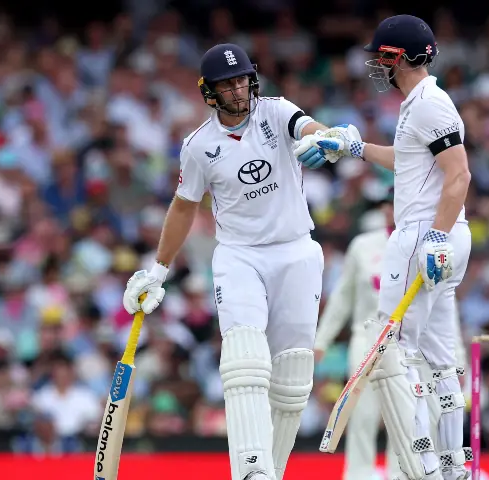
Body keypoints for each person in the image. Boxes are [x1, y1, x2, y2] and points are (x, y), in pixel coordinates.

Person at [122, 43, 337, 480]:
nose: (238, 90)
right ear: (210, 92)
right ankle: (251, 469)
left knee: (293, 379)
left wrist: (324, 138)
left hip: (297, 250)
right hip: (240, 256)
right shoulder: (198, 146)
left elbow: (310, 126)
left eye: (242, 80)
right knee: (245, 359)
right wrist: (159, 269)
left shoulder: (276, 112)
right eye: (228, 84)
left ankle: (271, 471)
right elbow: (184, 207)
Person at [295, 15, 473, 480]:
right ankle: (453, 466)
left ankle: (422, 465)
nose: (377, 64)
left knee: (393, 351)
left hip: (424, 233)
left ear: (403, 57)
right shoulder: (418, 103)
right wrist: (357, 148)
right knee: (436, 357)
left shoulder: (430, 103)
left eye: (383, 56)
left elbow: (460, 175)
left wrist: (434, 236)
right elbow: (410, 160)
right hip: (438, 233)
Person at [313, 194, 400, 480]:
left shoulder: (422, 245)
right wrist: (321, 341)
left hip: (406, 343)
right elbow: (341, 298)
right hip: (366, 337)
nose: (392, 210)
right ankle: (359, 475)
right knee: (362, 412)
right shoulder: (363, 245)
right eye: (388, 205)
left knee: (404, 418)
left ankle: (402, 474)